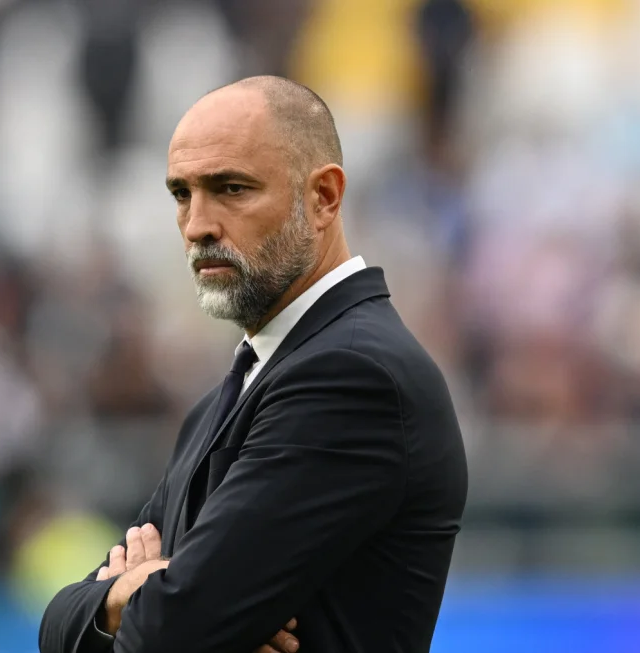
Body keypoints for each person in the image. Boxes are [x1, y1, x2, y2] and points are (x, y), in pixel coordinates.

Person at [38, 76, 467, 653]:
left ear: (324, 198)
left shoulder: (351, 376)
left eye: (231, 189)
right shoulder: (229, 396)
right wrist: (125, 599)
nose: (197, 226)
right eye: (182, 194)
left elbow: (170, 633)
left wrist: (137, 599)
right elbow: (58, 628)